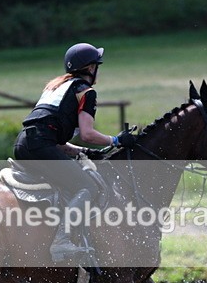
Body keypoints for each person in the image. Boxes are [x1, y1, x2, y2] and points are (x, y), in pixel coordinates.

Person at [14, 42, 136, 262]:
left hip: (24, 144)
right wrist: (116, 140)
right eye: (97, 65)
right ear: (90, 68)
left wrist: (85, 152)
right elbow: (87, 133)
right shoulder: (85, 93)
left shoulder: (55, 87)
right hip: (41, 147)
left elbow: (54, 139)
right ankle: (61, 241)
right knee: (87, 186)